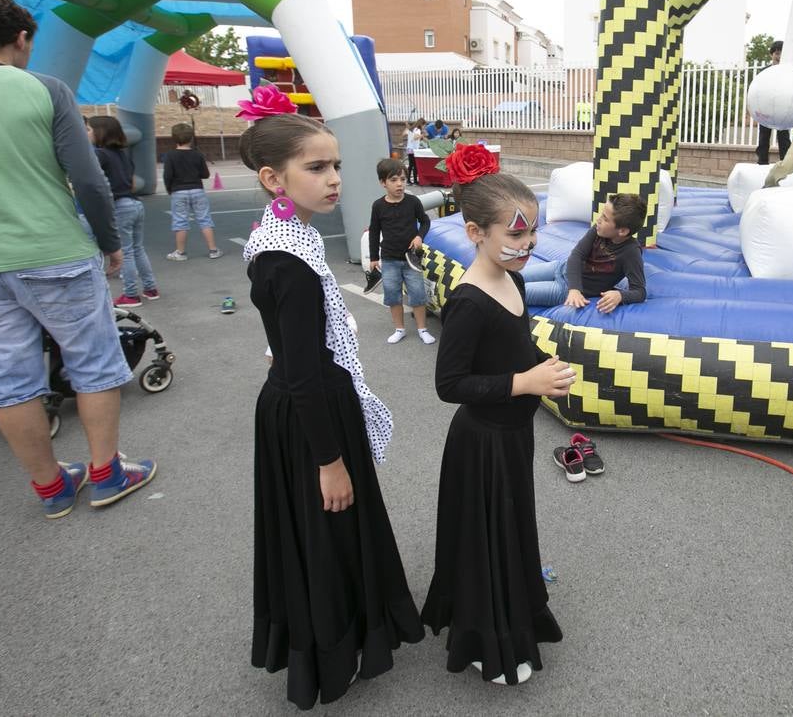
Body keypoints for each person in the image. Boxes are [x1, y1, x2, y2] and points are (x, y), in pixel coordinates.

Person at [0, 0, 154, 518]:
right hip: (53, 251)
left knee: (6, 380)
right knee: (93, 364)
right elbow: (87, 179)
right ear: (22, 38)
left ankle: (51, 488)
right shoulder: (45, 89)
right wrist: (110, 243)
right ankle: (107, 471)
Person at [239, 109, 423, 709]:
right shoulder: (285, 257)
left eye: (337, 165)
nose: (334, 178)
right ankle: (331, 651)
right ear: (274, 178)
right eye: (316, 167)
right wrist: (329, 460)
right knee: (325, 530)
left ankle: (349, 634)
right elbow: (298, 369)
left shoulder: (289, 233)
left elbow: (290, 349)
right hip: (310, 413)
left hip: (311, 399)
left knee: (333, 532)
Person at [421, 157, 573, 686]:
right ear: (474, 232)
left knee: (509, 531)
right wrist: (523, 383)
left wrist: (540, 364)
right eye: (515, 231)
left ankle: (515, 609)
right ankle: (487, 641)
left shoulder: (515, 280)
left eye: (533, 229)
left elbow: (514, 342)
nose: (527, 241)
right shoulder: (467, 302)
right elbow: (449, 385)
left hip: (513, 436)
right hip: (482, 442)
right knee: (487, 538)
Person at [521, 192, 647, 311]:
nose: (598, 220)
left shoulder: (631, 253)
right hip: (561, 268)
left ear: (623, 231)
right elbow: (577, 255)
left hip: (563, 290)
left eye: (605, 218)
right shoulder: (599, 229)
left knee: (515, 291)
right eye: (601, 214)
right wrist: (574, 288)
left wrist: (620, 295)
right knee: (513, 275)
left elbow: (639, 292)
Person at [87, 115, 159, 306]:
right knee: (137, 248)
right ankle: (150, 288)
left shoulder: (99, 155)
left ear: (99, 132)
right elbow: (133, 182)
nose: (86, 134)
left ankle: (130, 294)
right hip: (135, 204)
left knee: (125, 251)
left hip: (120, 206)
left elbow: (92, 181)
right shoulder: (123, 154)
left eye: (88, 130)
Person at [368, 157, 435, 344]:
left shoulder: (413, 202)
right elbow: (374, 231)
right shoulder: (378, 206)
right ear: (383, 182)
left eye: (403, 179)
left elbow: (425, 221)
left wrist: (419, 236)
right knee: (392, 294)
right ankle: (400, 329)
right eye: (394, 180)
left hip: (411, 259)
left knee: (418, 294)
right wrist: (374, 257)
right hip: (389, 259)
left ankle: (422, 329)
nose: (399, 184)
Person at [163, 122, 221, 260]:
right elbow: (205, 174)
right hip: (197, 190)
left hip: (178, 191)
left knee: (180, 221)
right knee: (204, 219)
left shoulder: (170, 155)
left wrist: (170, 189)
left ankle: (180, 252)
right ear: (191, 139)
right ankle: (213, 250)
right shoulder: (197, 154)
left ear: (174, 138)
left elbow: (167, 175)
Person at [752, 40, 791, 165]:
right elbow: (757, 88)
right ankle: (762, 161)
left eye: (781, 54)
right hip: (766, 107)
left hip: (782, 108)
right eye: (777, 53)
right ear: (772, 54)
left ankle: (785, 162)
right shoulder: (764, 71)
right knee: (764, 135)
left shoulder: (788, 71)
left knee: (783, 136)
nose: (779, 57)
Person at [404, 120, 424, 184]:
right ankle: (415, 181)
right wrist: (421, 136)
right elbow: (415, 137)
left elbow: (403, 134)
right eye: (424, 125)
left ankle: (408, 180)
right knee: (415, 166)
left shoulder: (411, 129)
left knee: (411, 165)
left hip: (409, 148)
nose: (424, 127)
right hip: (414, 150)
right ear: (421, 124)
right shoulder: (418, 130)